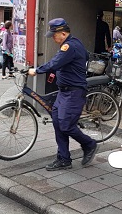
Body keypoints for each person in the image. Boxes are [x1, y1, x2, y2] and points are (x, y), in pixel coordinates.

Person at [28, 18, 97, 171]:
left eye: (54, 35)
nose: (53, 38)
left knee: (66, 126)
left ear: (63, 33)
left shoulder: (69, 46)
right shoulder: (75, 43)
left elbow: (55, 63)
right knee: (58, 125)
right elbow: (65, 64)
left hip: (73, 92)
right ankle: (64, 159)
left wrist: (37, 70)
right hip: (63, 92)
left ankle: (89, 144)